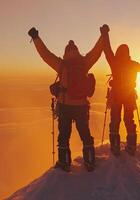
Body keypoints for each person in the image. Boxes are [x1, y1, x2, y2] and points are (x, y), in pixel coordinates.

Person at [27, 25, 106, 172]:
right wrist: (103, 36)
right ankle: (89, 160)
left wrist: (36, 38)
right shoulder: (84, 63)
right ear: (76, 51)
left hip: (65, 106)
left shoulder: (61, 65)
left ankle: (64, 163)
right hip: (82, 105)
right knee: (85, 134)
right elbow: (97, 52)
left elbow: (45, 55)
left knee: (64, 135)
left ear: (66, 52)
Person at [100, 25, 140, 156]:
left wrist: (105, 34)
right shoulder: (133, 64)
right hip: (129, 95)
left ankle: (115, 147)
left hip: (116, 95)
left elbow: (107, 50)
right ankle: (131, 146)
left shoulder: (114, 62)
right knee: (129, 119)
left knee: (115, 120)